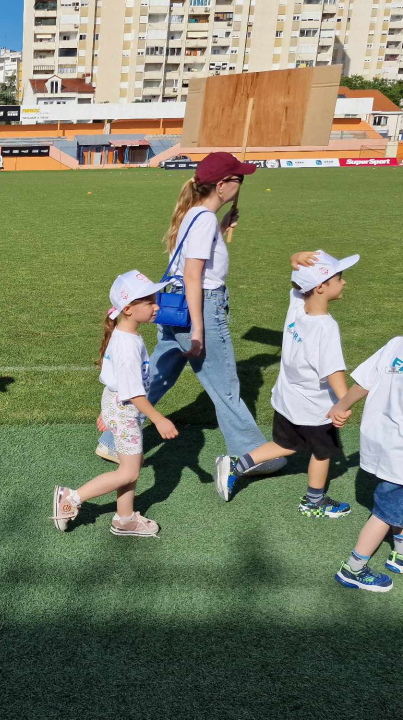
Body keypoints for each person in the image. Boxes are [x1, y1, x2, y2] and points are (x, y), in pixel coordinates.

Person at [93, 152, 311, 478]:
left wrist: (221, 226)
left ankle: (113, 439)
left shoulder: (195, 215)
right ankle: (252, 455)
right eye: (237, 179)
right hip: (199, 307)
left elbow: (194, 263)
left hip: (174, 303)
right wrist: (198, 329)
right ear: (222, 185)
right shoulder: (203, 219)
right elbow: (194, 274)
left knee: (158, 375)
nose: (241, 183)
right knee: (224, 386)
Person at [214, 251, 357, 511]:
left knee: (285, 445)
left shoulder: (297, 305)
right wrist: (344, 404)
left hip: (286, 399)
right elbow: (334, 371)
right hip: (315, 407)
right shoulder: (326, 327)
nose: (344, 282)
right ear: (322, 287)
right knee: (322, 452)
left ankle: (236, 465)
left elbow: (297, 286)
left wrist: (295, 260)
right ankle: (315, 502)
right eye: (340, 277)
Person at [52, 271, 179, 536]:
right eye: (149, 302)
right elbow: (134, 393)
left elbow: (115, 381)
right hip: (127, 408)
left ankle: (124, 518)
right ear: (129, 309)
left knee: (129, 468)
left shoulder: (124, 333)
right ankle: (70, 499)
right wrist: (159, 419)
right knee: (128, 473)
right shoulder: (129, 346)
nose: (157, 307)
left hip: (116, 404)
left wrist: (107, 411)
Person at [328, 337, 403, 592]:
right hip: (399, 450)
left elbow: (364, 382)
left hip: (379, 438)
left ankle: (400, 553)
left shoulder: (396, 344)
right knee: (385, 511)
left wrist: (341, 406)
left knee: (397, 501)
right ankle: (353, 568)